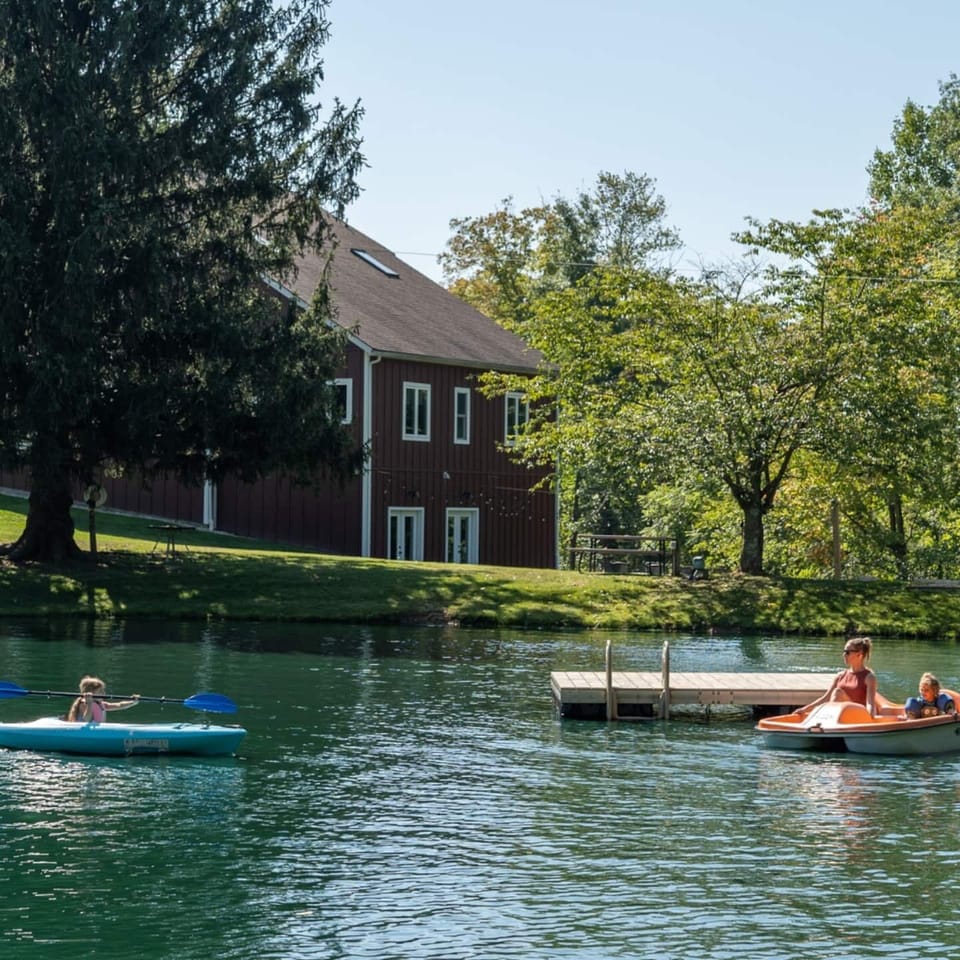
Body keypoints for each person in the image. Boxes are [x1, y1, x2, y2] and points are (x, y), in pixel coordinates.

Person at [794, 636, 879, 717]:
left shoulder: (869, 677)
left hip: (858, 715)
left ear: (859, 654)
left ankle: (828, 721)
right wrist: (804, 710)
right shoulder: (840, 676)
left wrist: (870, 719)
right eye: (844, 651)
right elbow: (825, 698)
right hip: (840, 716)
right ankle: (828, 721)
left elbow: (870, 704)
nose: (844, 655)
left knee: (838, 692)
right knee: (837, 693)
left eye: (847, 652)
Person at [67, 675, 140, 723]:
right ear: (90, 692)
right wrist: (89, 704)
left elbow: (119, 705)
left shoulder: (101, 704)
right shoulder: (84, 704)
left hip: (96, 731)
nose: (104, 693)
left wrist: (132, 702)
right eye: (100, 691)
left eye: (103, 691)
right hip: (85, 732)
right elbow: (86, 720)